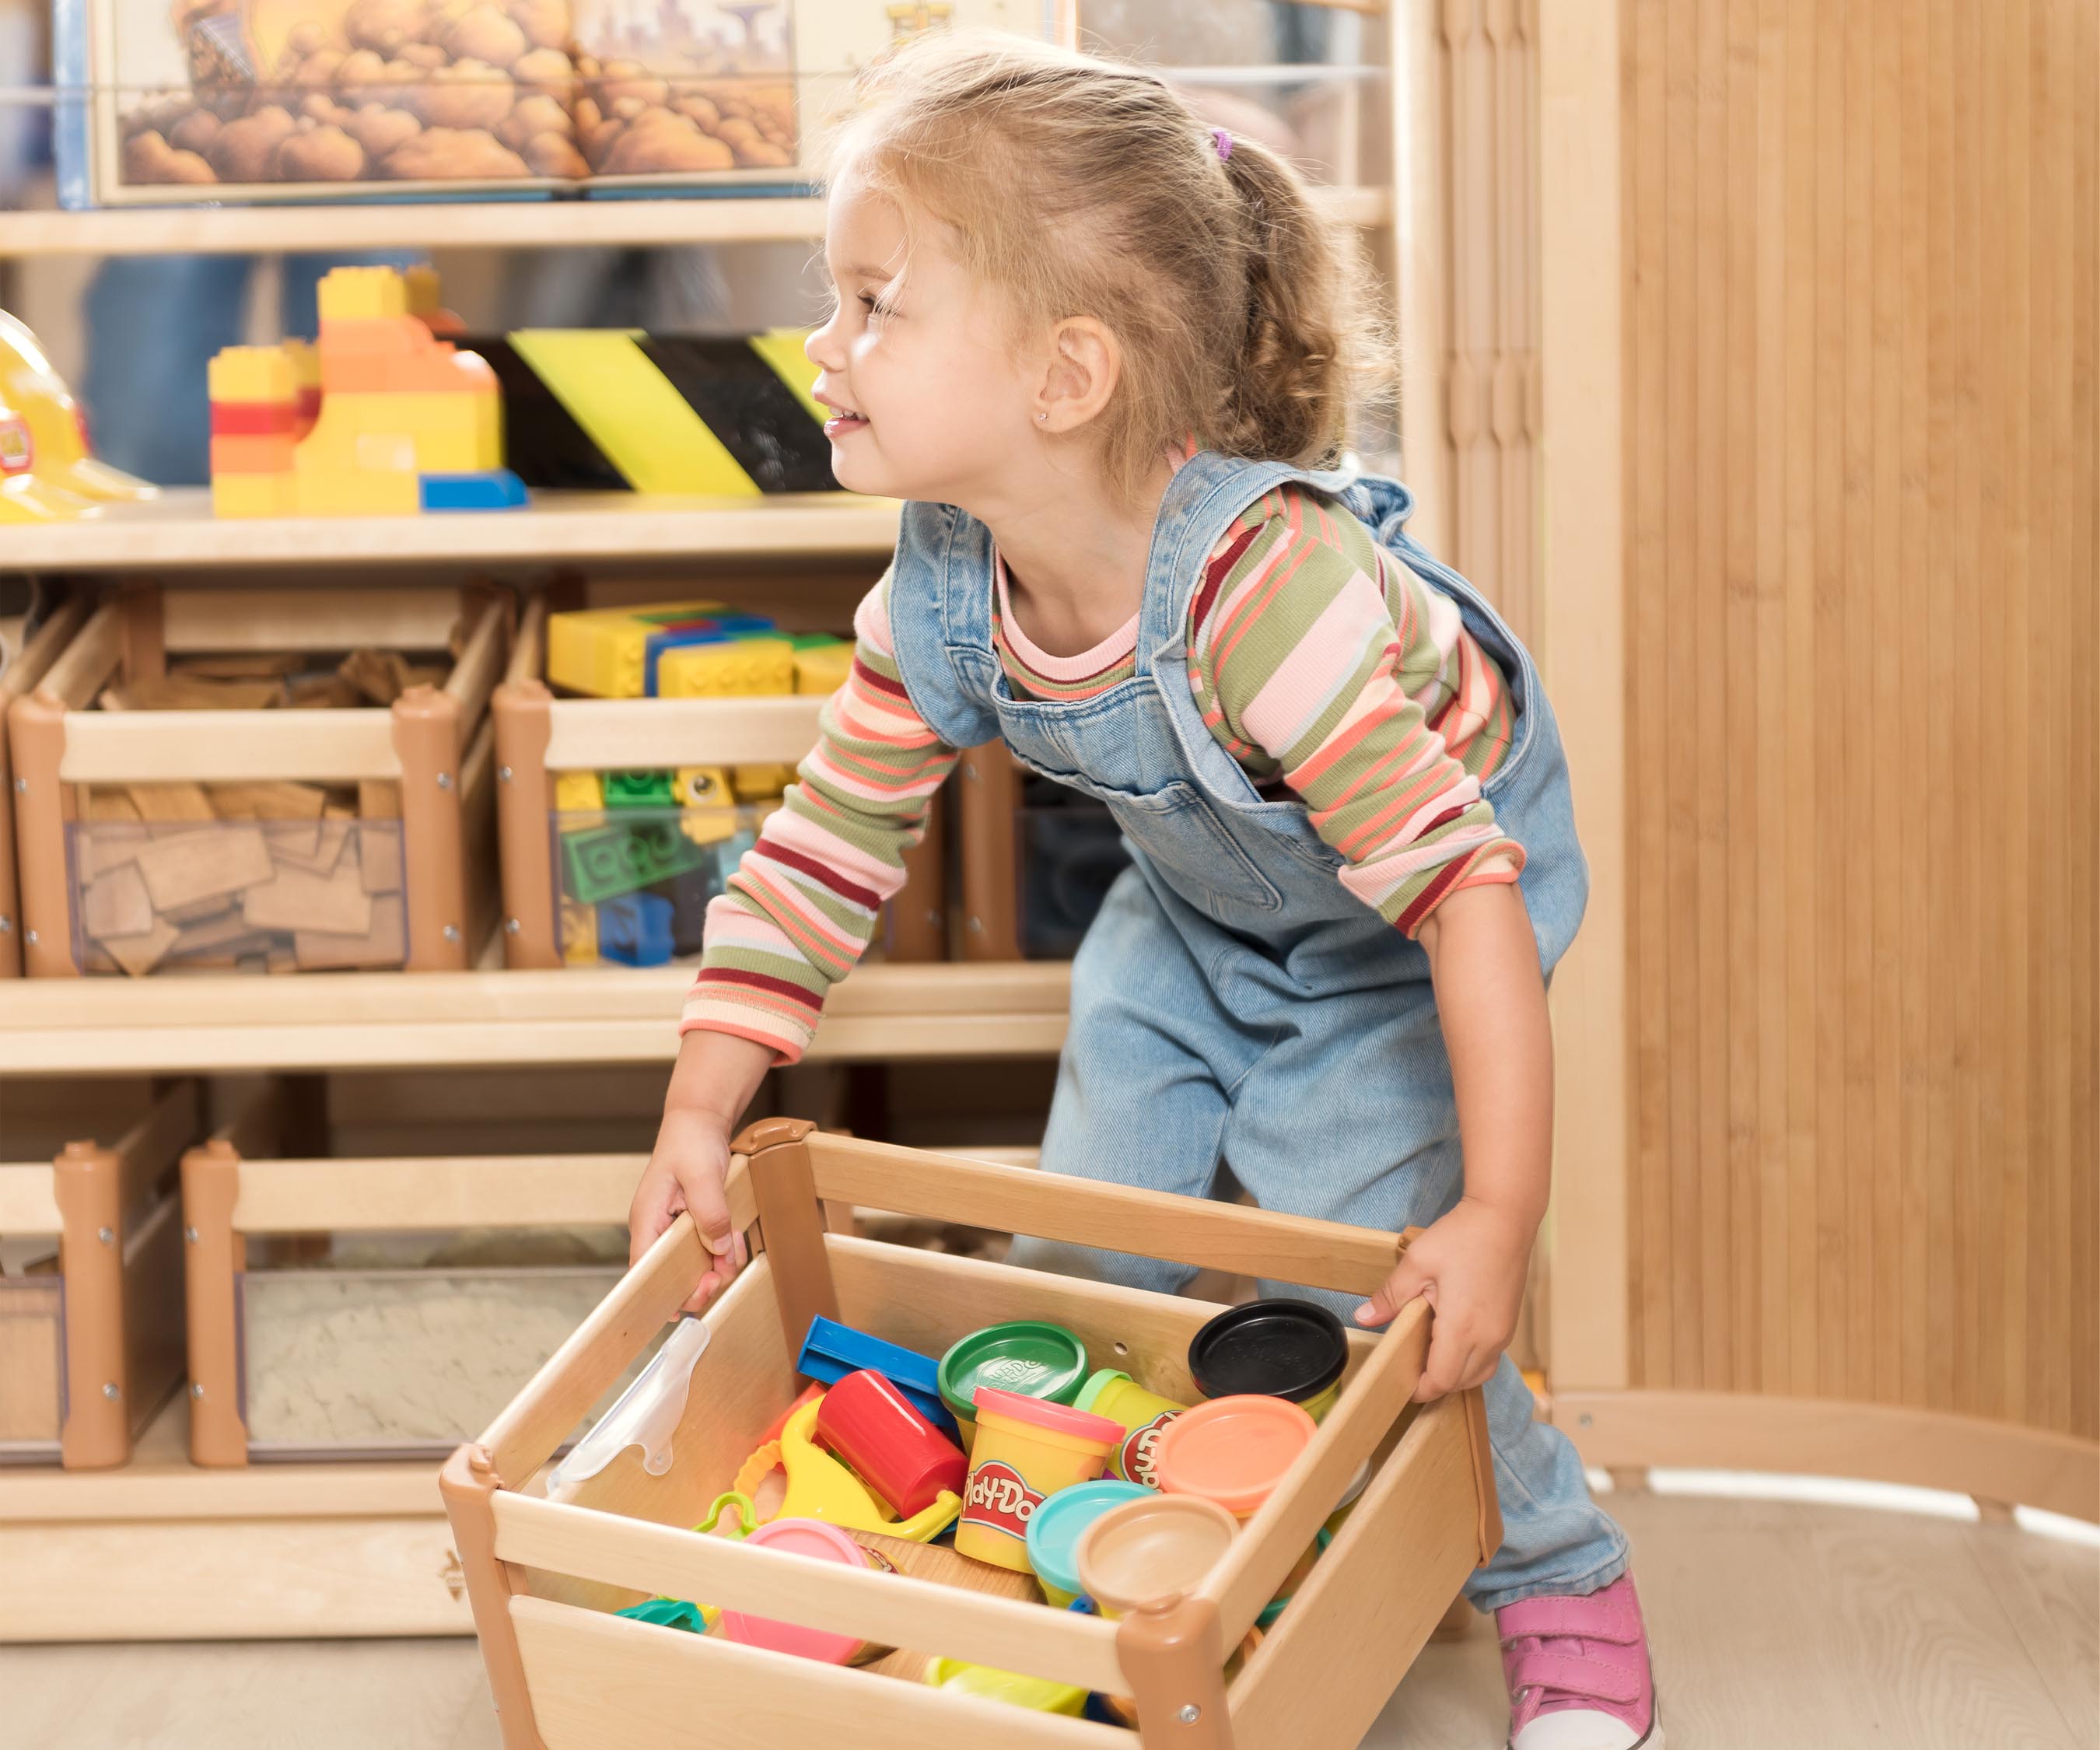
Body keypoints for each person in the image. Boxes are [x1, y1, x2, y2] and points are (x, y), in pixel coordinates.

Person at [630, 33, 1658, 1749]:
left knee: (1365, 1302)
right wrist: (696, 1105)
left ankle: (1560, 1575)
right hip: (1200, 908)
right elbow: (825, 843)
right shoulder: (944, 576)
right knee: (1077, 1255)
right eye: (836, 300)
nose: (824, 344)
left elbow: (1465, 899)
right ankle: (1109, 1555)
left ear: (1067, 376)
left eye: (876, 304)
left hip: (1412, 927)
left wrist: (1494, 1216)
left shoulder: (1269, 596)